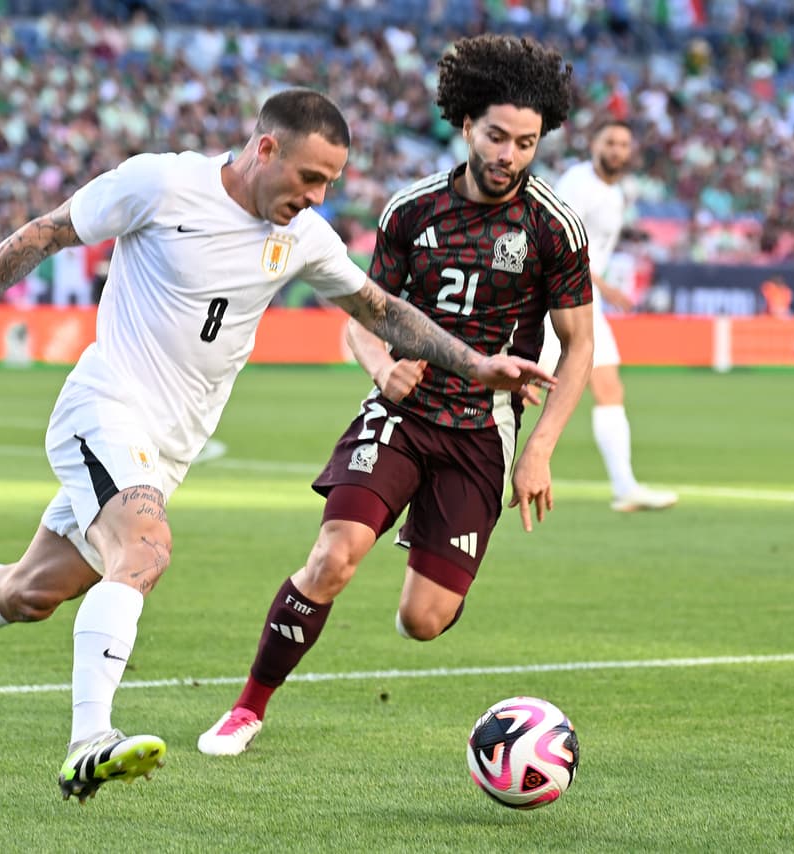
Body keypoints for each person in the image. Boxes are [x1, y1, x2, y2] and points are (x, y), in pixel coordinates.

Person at [0, 87, 551, 802]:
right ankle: (88, 741)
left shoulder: (304, 237)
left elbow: (380, 309)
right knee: (146, 549)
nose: (316, 197)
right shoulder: (161, 184)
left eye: (331, 184)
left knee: (33, 591)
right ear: (266, 148)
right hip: (105, 405)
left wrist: (473, 364)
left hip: (170, 447)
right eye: (310, 177)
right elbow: (43, 234)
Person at [196, 35, 594, 758]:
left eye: (527, 143)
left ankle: (440, 551)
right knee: (334, 556)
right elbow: (366, 315)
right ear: (467, 124)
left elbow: (581, 345)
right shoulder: (411, 212)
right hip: (402, 414)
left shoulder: (554, 229)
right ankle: (247, 710)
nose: (509, 155)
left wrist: (538, 451)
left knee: (424, 621)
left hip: (483, 432)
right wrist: (382, 369)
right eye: (498, 136)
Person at [537, 120, 677, 512]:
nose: (617, 149)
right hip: (557, 298)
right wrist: (607, 286)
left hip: (585, 298)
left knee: (608, 388)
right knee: (521, 388)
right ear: (593, 144)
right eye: (610, 142)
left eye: (623, 144)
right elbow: (561, 242)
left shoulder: (616, 192)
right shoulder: (578, 182)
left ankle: (625, 486)